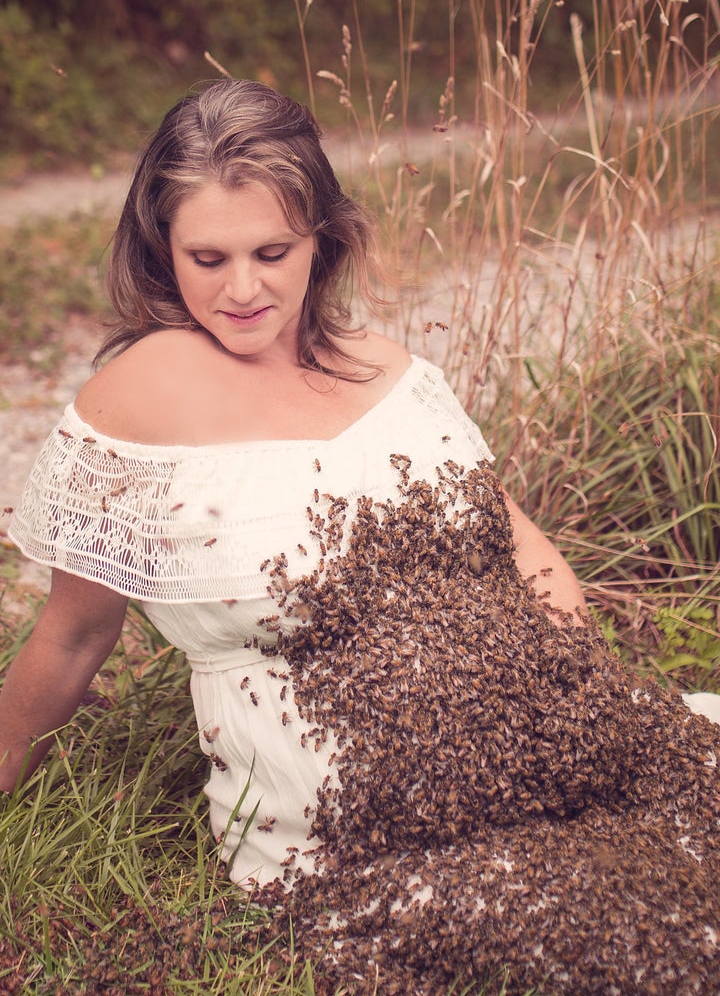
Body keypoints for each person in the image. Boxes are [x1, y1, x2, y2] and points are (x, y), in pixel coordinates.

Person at [1, 78, 719, 995]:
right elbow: (73, 631)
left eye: (273, 250)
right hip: (354, 829)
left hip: (535, 743)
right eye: (208, 257)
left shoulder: (390, 373)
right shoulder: (140, 394)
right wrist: (6, 762)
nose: (244, 288)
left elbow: (520, 542)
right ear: (160, 250)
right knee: (641, 939)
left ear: (322, 239)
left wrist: (577, 705)